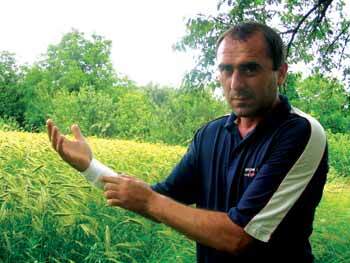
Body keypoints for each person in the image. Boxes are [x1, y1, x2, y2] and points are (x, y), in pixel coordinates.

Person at [47, 22, 328, 263]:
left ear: (280, 73)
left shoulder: (301, 133)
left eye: (250, 70)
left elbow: (240, 237)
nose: (235, 84)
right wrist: (90, 166)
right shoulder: (210, 134)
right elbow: (163, 197)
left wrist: (151, 201)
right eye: (226, 70)